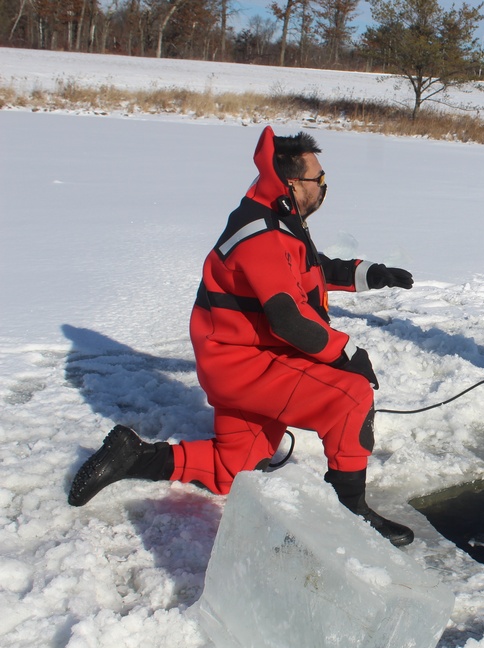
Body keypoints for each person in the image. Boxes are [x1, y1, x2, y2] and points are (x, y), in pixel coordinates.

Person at [68, 127, 417, 546]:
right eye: (318, 179)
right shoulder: (262, 234)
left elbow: (307, 267)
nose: (325, 188)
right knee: (350, 395)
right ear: (291, 182)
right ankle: (354, 515)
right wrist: (347, 354)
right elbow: (288, 320)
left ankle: (133, 455)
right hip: (248, 366)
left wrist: (369, 274)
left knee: (231, 470)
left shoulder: (273, 216)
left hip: (236, 363)